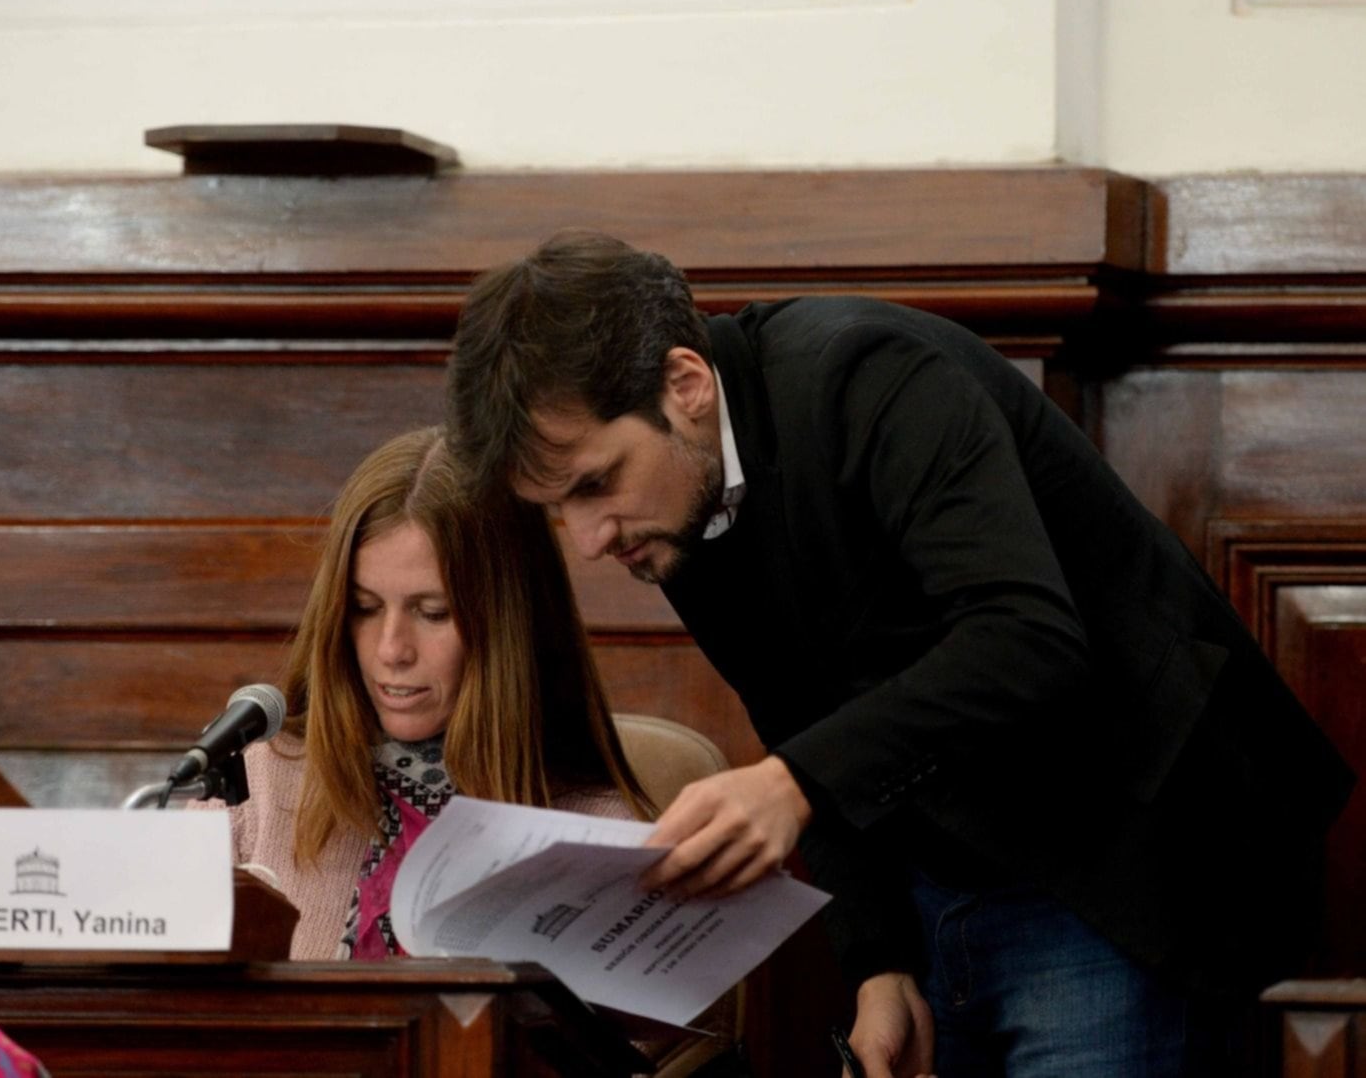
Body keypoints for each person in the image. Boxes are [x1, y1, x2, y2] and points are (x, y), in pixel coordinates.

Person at [445, 231, 1356, 1078]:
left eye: (596, 484)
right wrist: (877, 959)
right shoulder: (672, 502)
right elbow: (804, 715)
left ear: (684, 383)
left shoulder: (867, 373)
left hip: (1122, 862)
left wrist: (789, 784)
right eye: (556, 509)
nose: (590, 537)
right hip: (944, 889)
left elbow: (1025, 638)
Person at [198, 425, 652, 959]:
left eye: (432, 613)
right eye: (365, 608)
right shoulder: (252, 787)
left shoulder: (600, 839)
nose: (391, 649)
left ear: (510, 628)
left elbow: (654, 1038)